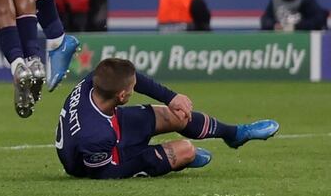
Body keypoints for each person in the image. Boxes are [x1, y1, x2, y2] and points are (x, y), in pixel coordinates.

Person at [55, 58, 279, 180]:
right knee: (185, 151)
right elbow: (106, 173)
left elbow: (133, 79)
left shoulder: (95, 80)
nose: (135, 88)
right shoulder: (95, 135)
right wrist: (152, 157)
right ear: (121, 96)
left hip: (112, 125)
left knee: (175, 114)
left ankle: (235, 134)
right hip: (101, 162)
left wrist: (171, 98)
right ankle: (183, 158)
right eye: (132, 89)